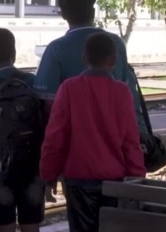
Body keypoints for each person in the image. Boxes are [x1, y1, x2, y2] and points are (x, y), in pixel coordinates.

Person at [40, 33, 146, 232]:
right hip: (114, 180)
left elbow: (55, 137)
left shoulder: (69, 88)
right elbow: (130, 140)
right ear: (113, 60)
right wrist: (137, 176)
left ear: (84, 58)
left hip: (78, 179)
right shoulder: (122, 92)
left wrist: (49, 175)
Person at [33, 0, 146, 132]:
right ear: (93, 12)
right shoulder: (116, 43)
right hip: (116, 135)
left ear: (63, 14)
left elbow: (49, 104)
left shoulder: (55, 49)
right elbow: (129, 94)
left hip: (76, 138)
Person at [0, 28, 45, 232]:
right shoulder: (31, 81)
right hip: (32, 163)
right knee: (31, 224)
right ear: (13, 52)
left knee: (3, 224)